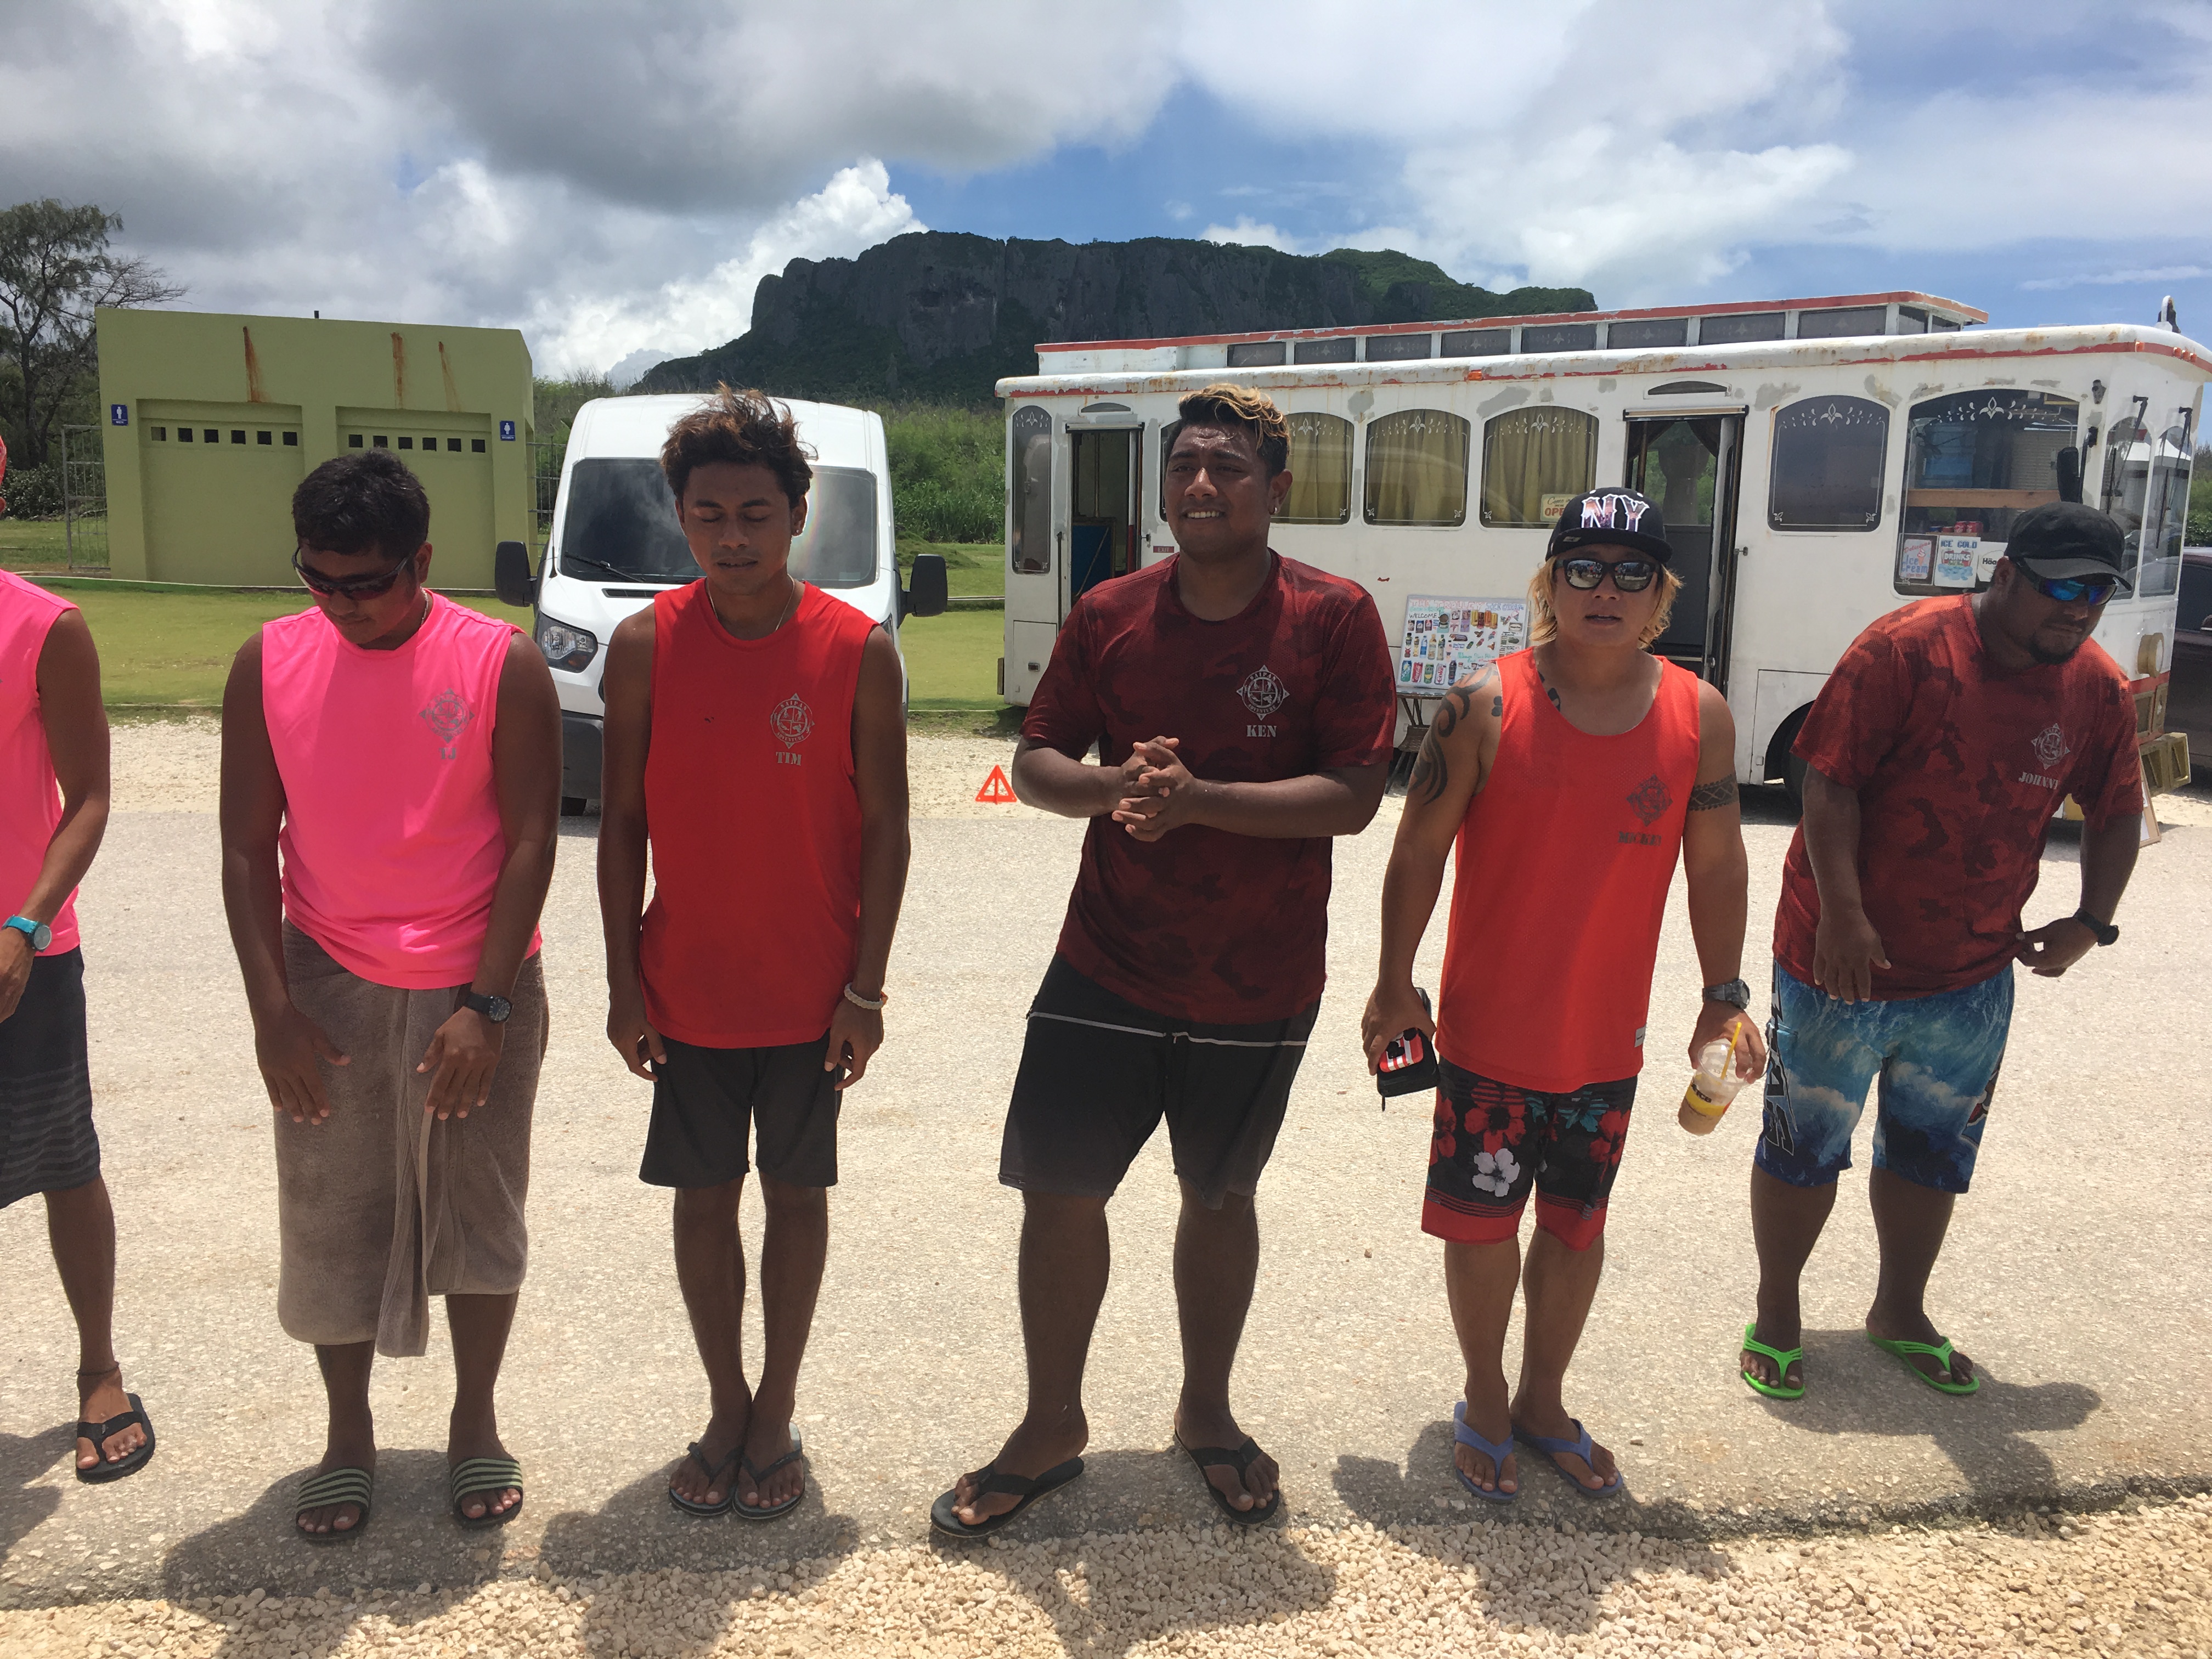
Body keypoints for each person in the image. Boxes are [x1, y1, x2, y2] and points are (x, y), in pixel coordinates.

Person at [934, 383, 1396, 1537]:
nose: (1200, 485)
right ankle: (1051, 1425)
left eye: (1228, 469)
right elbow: (1037, 757)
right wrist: (1113, 788)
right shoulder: (1110, 613)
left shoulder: (1334, 617)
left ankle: (1206, 1410)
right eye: (1185, 465)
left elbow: (1353, 795)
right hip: (1105, 960)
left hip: (1260, 975)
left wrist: (1197, 802)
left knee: (1220, 1196)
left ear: (1275, 492)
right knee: (1059, 1194)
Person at [1362, 488, 1764, 1504]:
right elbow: (1418, 850)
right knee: (1481, 1224)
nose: (1605, 590)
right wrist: (1394, 981)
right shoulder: (1483, 703)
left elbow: (1717, 863)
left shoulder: (1700, 715)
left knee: (1577, 1226)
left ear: (1663, 595)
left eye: (1633, 574)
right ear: (1549, 583)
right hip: (1489, 1035)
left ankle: (1544, 1399)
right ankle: (1487, 1394)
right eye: (1582, 568)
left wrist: (1723, 996)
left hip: (1604, 1040)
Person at [219, 450, 562, 1540]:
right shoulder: (268, 661)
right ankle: (347, 1433)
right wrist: (273, 1012)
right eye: (318, 579)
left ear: (423, 560)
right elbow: (245, 847)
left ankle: (475, 1418)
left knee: (480, 1203)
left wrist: (488, 1007)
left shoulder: (501, 661)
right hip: (326, 976)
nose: (341, 604)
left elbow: (532, 840)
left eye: (367, 582)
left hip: (478, 977)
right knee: (332, 1212)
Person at [1739, 502, 2143, 1402]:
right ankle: (1776, 1310)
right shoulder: (1905, 649)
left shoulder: (2096, 689)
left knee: (1932, 1151)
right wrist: (1844, 916)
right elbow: (1829, 782)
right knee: (1804, 1144)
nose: (2080, 609)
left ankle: (1900, 1310)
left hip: (1972, 976)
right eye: (2062, 589)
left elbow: (2119, 810)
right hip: (1839, 961)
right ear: (2007, 575)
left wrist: (2093, 920)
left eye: (2098, 592)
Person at [599, 387, 910, 1521]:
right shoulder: (644, 646)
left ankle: (777, 1403)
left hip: (813, 993)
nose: (732, 538)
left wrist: (867, 989)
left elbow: (888, 829)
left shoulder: (856, 650)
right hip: (687, 987)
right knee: (701, 1198)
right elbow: (622, 823)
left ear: (797, 515)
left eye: (755, 515)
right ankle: (725, 1400)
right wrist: (622, 983)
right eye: (709, 515)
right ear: (680, 516)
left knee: (796, 1194)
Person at [0, 449, 154, 1482]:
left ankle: (100, 1367)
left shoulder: (44, 627)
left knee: (63, 1160)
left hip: (22, 957)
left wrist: (26, 923)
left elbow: (87, 797)